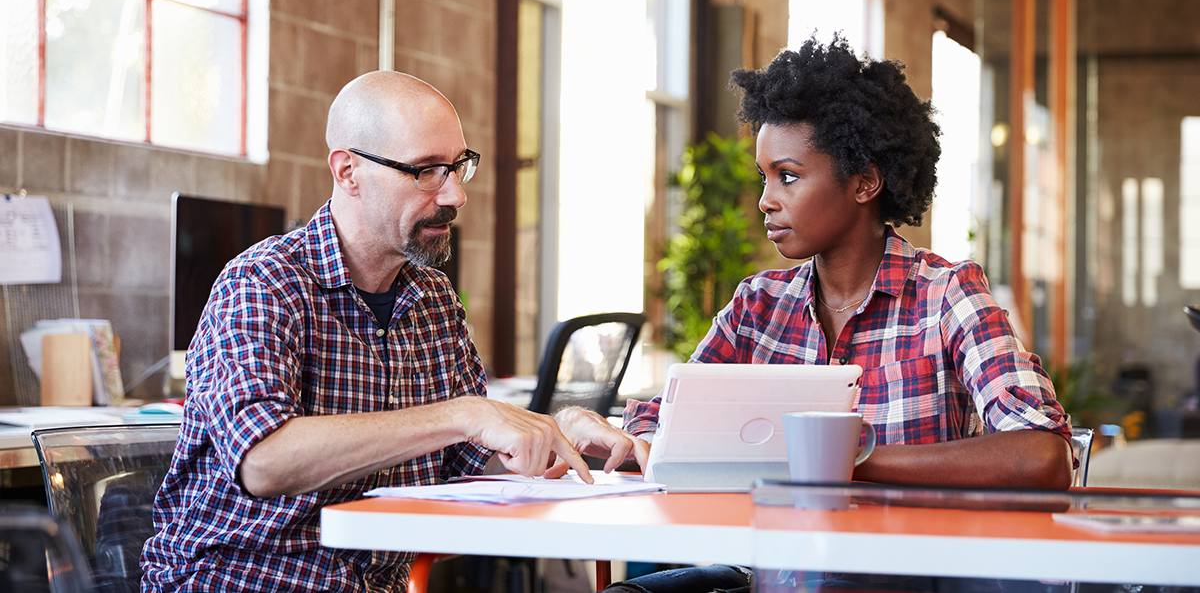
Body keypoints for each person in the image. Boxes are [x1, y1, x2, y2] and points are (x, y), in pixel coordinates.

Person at [560, 35, 1074, 593]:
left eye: (788, 175)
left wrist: (845, 459)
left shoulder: (946, 295)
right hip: (773, 572)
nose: (765, 199)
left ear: (864, 182)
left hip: (905, 578)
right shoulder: (757, 307)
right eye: (764, 177)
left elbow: (1041, 456)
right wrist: (607, 433)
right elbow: (662, 425)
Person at [140, 71, 644, 593]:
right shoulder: (264, 282)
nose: (454, 195)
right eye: (426, 171)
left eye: (457, 168)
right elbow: (263, 462)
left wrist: (553, 432)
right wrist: (462, 414)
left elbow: (468, 454)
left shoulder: (434, 300)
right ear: (348, 170)